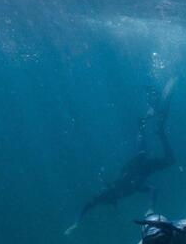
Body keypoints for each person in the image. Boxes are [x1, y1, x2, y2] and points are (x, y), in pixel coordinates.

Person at [64, 77, 178, 235]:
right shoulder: (120, 191)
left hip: (139, 164)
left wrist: (150, 207)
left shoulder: (116, 187)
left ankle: (143, 125)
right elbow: (152, 188)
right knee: (166, 159)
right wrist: (76, 223)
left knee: (141, 153)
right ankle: (156, 130)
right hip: (144, 168)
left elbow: (90, 203)